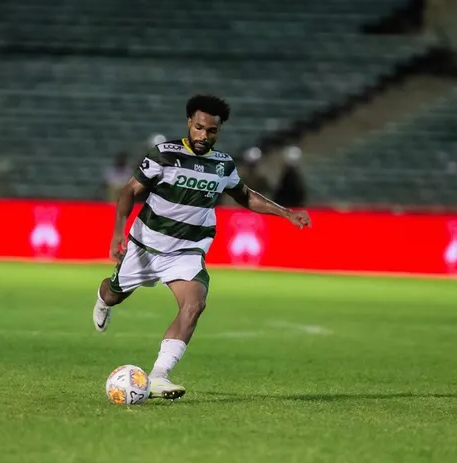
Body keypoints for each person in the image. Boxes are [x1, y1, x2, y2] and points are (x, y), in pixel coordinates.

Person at [91, 94, 311, 400]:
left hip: (187, 250)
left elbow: (245, 195)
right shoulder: (164, 154)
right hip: (147, 246)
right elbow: (129, 190)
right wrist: (119, 233)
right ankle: (102, 300)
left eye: (211, 131)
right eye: (199, 127)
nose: (204, 135)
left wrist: (286, 212)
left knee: (194, 304)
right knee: (114, 294)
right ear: (189, 123)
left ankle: (158, 376)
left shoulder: (222, 165)